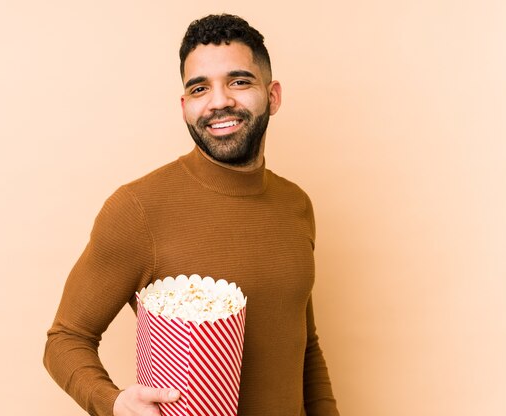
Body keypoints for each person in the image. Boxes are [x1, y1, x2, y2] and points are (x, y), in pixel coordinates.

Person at [44, 13, 340, 416]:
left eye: (239, 81)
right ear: (185, 107)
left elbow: (305, 350)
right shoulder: (138, 209)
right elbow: (65, 337)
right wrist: (112, 402)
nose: (219, 102)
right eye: (200, 88)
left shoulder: (296, 205)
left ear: (273, 96)